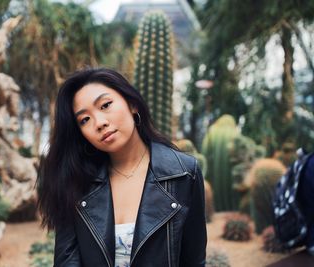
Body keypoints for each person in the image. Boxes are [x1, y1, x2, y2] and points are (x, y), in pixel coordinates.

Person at [36, 68, 207, 267]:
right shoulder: (76, 181)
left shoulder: (183, 173)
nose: (99, 123)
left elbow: (193, 261)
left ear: (132, 104)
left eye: (106, 105)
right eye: (85, 120)